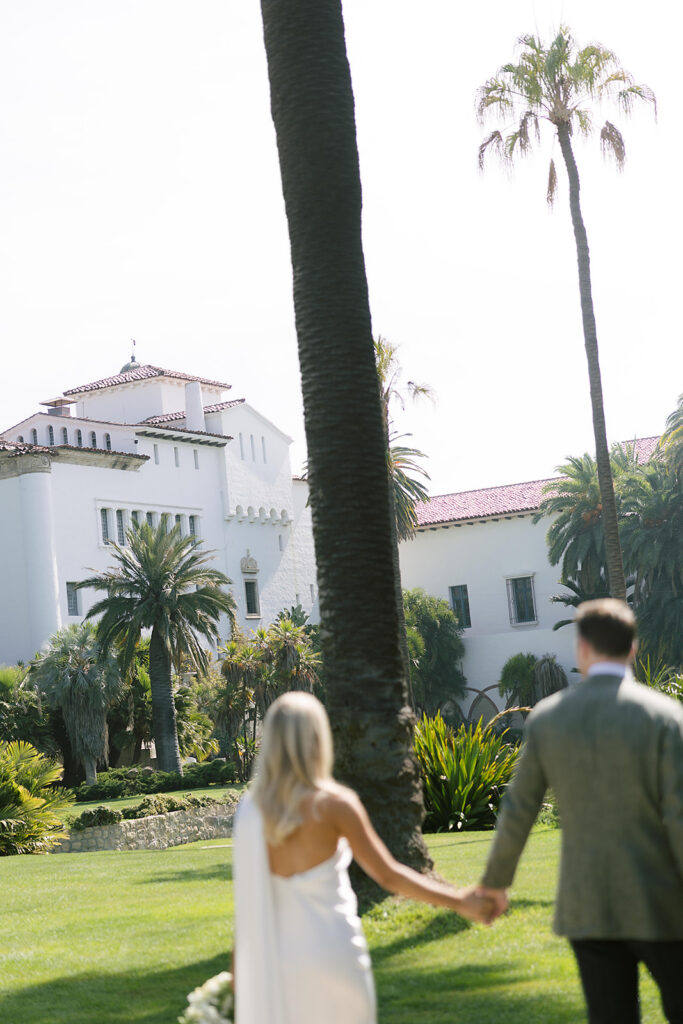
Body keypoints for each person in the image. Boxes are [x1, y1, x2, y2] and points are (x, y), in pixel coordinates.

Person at [478, 598, 683, 1023]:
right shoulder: (666, 717)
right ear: (633, 649)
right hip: (662, 902)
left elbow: (519, 809)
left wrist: (495, 884)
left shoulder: (548, 719)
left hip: (588, 905)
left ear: (582, 648)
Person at [233, 690, 492, 1024]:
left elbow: (248, 903)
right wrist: (458, 900)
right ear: (319, 738)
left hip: (279, 961)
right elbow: (388, 874)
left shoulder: (250, 812)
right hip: (335, 952)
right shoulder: (336, 805)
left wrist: (238, 974)